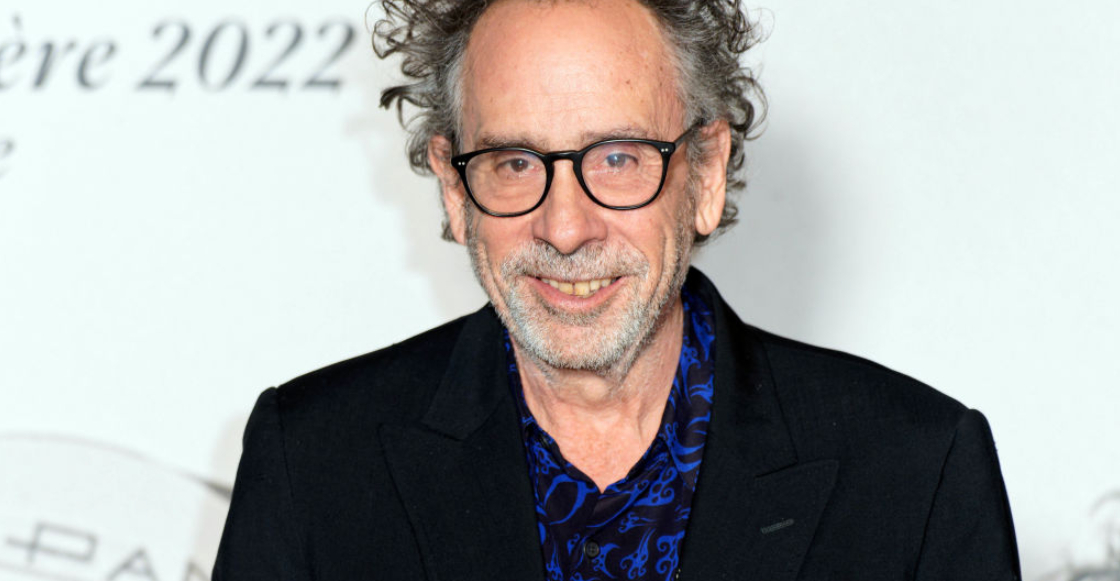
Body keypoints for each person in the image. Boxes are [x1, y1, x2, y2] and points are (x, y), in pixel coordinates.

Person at [213, 0, 1020, 579]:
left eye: (618, 158)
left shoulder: (916, 471)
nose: (565, 227)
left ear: (705, 173)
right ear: (455, 191)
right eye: (515, 162)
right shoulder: (313, 462)